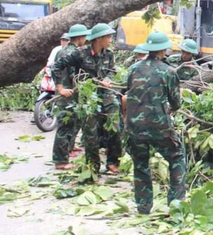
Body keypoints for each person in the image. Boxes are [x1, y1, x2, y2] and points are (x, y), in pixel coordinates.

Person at [123, 31, 185, 215]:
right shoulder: (169, 72)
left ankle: (143, 207)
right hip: (159, 126)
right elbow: (175, 103)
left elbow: (129, 93)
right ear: (164, 50)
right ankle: (175, 205)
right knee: (177, 157)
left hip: (135, 126)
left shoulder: (133, 69)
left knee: (140, 163)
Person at [53, 23, 122, 175]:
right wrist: (60, 88)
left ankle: (112, 162)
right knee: (91, 134)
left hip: (106, 94)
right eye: (108, 37)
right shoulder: (80, 53)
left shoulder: (109, 54)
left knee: (116, 127)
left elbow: (112, 70)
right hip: (88, 97)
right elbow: (57, 67)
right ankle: (93, 168)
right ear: (99, 39)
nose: (111, 40)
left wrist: (108, 79)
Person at [51, 24, 90, 170]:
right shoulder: (72, 52)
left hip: (71, 93)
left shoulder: (64, 50)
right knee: (65, 127)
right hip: (66, 94)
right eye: (84, 37)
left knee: (71, 124)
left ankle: (67, 152)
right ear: (80, 38)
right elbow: (56, 69)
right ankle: (60, 161)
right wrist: (60, 87)